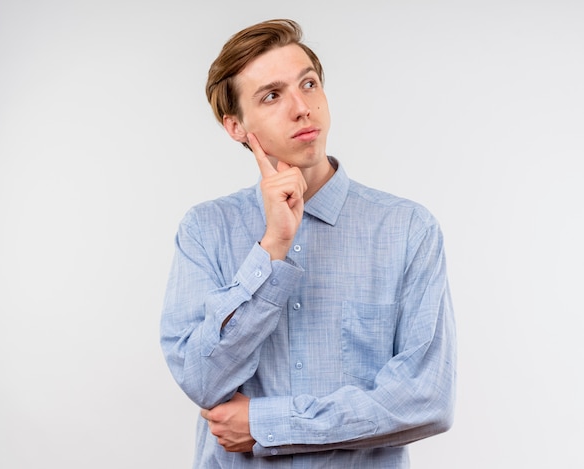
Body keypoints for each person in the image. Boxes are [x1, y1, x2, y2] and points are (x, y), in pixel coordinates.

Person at [160, 18, 456, 468]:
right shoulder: (205, 230)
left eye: (309, 84)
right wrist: (271, 248)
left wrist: (266, 423)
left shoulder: (407, 229)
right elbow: (202, 379)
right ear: (236, 126)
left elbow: (426, 398)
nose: (302, 108)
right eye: (272, 95)